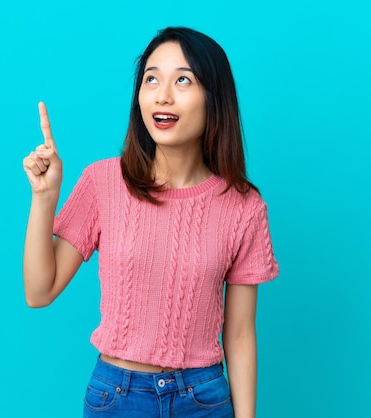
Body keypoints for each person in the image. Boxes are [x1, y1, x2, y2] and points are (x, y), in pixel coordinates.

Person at [22, 26, 279, 418]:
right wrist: (44, 198)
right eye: (151, 79)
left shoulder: (243, 206)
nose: (163, 94)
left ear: (215, 98)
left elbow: (241, 333)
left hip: (203, 397)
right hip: (117, 397)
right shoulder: (103, 182)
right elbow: (39, 292)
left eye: (182, 80)